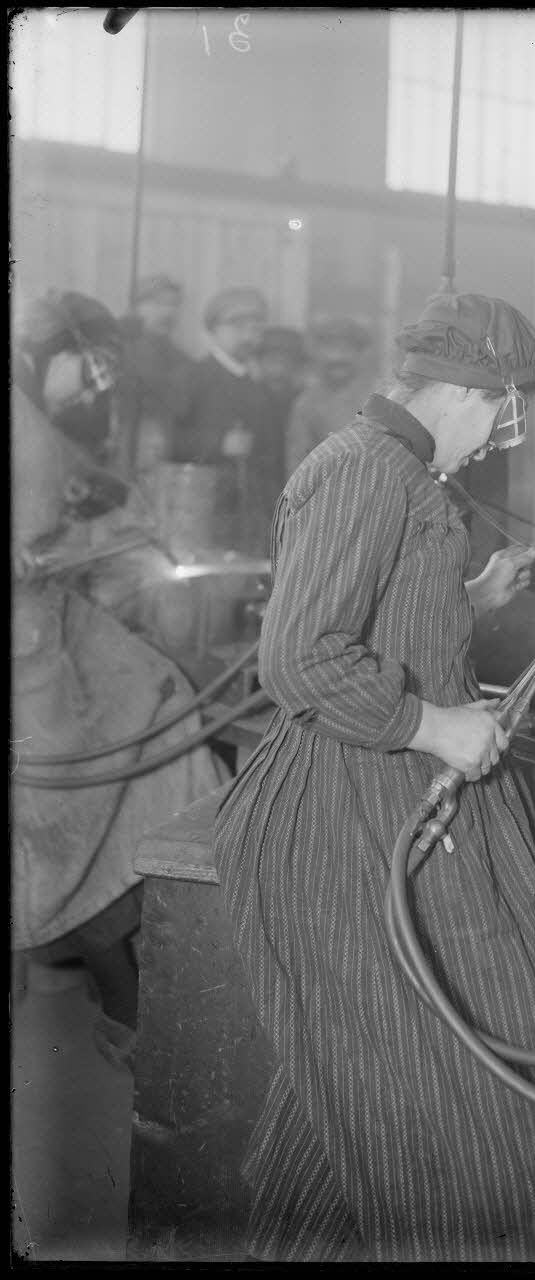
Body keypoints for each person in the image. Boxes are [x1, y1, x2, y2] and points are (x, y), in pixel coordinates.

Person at [212, 291, 535, 1263]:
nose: (496, 437)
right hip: (349, 819)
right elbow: (301, 657)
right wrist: (435, 723)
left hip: (385, 791)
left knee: (359, 1089)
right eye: (502, 410)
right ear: (467, 394)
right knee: (524, 1065)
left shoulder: (399, 470)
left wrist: (467, 598)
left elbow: (375, 619)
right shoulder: (362, 473)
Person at [11, 289, 226, 1072]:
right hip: (26, 641)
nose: (96, 389)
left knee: (161, 698)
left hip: (43, 617)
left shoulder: (32, 409)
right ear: (53, 347)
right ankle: (127, 997)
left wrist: (104, 504)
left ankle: (128, 982)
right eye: (92, 369)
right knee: (105, 776)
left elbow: (61, 489)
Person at [172, 286, 275, 551]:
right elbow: (169, 442)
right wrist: (218, 444)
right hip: (201, 507)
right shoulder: (192, 378)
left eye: (255, 329)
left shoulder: (261, 389)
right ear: (213, 330)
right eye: (237, 327)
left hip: (249, 512)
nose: (248, 336)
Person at [117, 273, 194, 487]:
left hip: (164, 462)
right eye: (158, 303)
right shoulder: (117, 350)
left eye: (174, 305)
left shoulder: (182, 361)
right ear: (136, 308)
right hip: (118, 456)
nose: (168, 312)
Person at [285, 313, 373, 476]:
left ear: (360, 355)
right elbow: (296, 465)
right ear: (318, 354)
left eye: (346, 349)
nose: (337, 357)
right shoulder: (306, 404)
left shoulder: (380, 400)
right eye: (330, 349)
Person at [254, 325, 308, 491]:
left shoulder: (305, 402)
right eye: (271, 360)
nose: (278, 367)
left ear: (296, 366)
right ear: (260, 362)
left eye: (285, 360)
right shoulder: (247, 396)